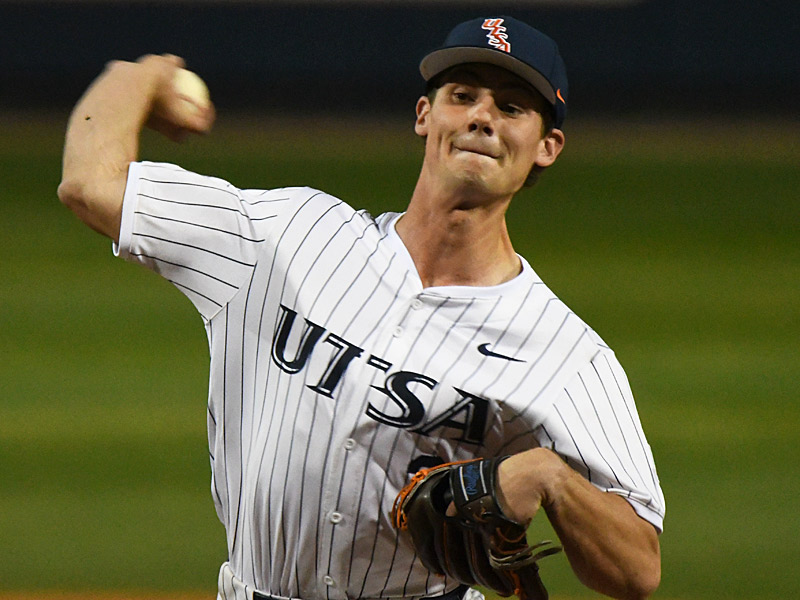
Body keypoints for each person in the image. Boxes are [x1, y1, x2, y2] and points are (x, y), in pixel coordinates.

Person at [58, 15, 664, 600]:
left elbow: (638, 569)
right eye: (463, 95)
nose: (482, 116)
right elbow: (90, 184)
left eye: (511, 107)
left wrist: (548, 477)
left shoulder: (564, 353)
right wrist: (141, 75)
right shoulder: (291, 235)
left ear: (547, 146)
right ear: (425, 115)